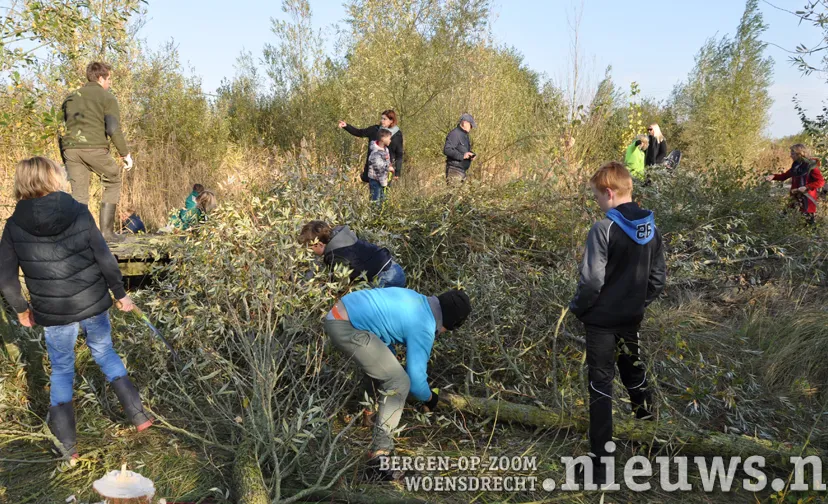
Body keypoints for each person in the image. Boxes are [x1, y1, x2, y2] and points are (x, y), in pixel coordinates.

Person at [0, 157, 153, 460]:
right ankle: (139, 417)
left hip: (54, 311)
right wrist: (120, 293)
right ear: (53, 177)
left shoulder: (14, 225)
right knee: (105, 352)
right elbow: (104, 256)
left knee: (61, 370)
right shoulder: (79, 211)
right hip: (93, 302)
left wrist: (21, 309)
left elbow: (6, 278)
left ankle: (67, 446)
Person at [568, 161, 666, 486]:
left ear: (609, 193)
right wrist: (637, 304)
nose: (597, 202)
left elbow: (591, 281)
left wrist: (578, 308)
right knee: (634, 374)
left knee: (600, 386)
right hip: (630, 320)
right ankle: (649, 439)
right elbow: (657, 280)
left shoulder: (604, 229)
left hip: (601, 323)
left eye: (597, 197)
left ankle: (601, 467)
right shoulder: (651, 229)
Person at [323, 288, 471, 479]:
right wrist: (430, 398)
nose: (442, 333)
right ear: (450, 323)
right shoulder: (424, 326)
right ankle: (379, 459)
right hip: (345, 326)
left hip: (341, 313)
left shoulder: (418, 300)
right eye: (447, 330)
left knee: (385, 367)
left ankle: (369, 415)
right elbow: (416, 383)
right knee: (399, 381)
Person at [61, 62, 133, 243]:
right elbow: (113, 128)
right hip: (94, 147)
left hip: (70, 149)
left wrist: (64, 154)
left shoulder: (71, 97)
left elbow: (60, 128)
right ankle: (107, 233)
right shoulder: (107, 97)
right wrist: (125, 154)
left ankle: (79, 236)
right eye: (109, 79)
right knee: (113, 179)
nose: (110, 83)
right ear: (100, 78)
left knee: (79, 193)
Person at [299, 220, 406, 288]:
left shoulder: (335, 255)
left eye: (310, 248)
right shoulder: (343, 236)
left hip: (387, 279)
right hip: (395, 268)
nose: (310, 251)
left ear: (320, 244)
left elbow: (341, 283)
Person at [765, 144, 824, 224]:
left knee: (808, 223)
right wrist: (773, 176)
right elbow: (784, 176)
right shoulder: (796, 166)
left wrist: (806, 187)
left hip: (807, 198)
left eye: (792, 154)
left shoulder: (811, 166)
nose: (790, 156)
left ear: (799, 154)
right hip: (795, 197)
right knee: (784, 217)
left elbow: (820, 182)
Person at [339, 110, 404, 181]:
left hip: (386, 170)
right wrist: (346, 126)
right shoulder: (375, 129)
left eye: (384, 119)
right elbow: (360, 132)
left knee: (384, 188)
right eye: (381, 118)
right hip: (372, 169)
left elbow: (399, 154)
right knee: (374, 187)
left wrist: (397, 172)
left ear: (391, 121)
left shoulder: (397, 135)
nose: (382, 121)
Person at [443, 113, 476, 184]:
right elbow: (447, 150)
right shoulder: (455, 134)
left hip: (462, 171)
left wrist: (471, 154)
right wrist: (462, 156)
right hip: (454, 171)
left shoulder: (465, 135)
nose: (471, 127)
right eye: (471, 125)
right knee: (454, 191)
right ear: (464, 123)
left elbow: (462, 150)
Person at [366, 129, 394, 202]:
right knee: (375, 201)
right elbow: (378, 165)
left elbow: (387, 161)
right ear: (383, 139)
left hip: (383, 179)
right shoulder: (375, 151)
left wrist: (390, 165)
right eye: (389, 138)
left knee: (383, 200)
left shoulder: (386, 149)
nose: (390, 140)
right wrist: (388, 168)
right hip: (375, 180)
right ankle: (374, 209)